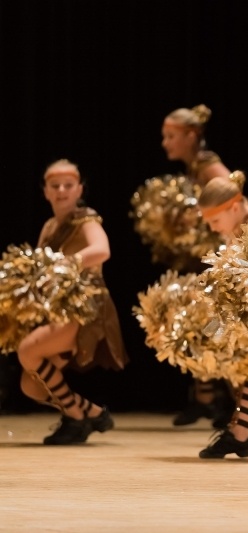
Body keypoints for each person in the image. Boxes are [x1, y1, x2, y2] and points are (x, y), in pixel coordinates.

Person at [16, 159, 128, 444]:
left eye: (68, 185)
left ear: (79, 190)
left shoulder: (87, 219)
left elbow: (102, 250)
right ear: (46, 191)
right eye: (55, 186)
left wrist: (66, 264)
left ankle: (77, 419)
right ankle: (90, 412)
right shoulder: (49, 225)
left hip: (85, 308)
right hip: (58, 307)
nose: (62, 190)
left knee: (28, 351)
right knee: (31, 386)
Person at [194, 173, 248, 458]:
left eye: (214, 221)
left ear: (232, 208)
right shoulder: (237, 226)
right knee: (213, 341)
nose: (212, 228)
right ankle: (239, 431)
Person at [161, 104, 232, 427]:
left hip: (216, 254)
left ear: (191, 136)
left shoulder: (208, 165)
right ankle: (206, 397)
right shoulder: (193, 166)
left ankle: (234, 398)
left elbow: (233, 193)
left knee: (213, 325)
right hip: (200, 254)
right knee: (198, 323)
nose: (165, 142)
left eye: (171, 136)